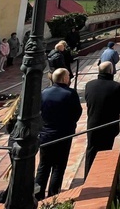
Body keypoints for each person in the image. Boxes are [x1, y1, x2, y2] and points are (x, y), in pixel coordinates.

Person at [35, 68, 82, 200]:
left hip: (45, 134)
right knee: (58, 166)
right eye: (68, 76)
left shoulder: (44, 92)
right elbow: (77, 112)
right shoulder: (70, 93)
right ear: (64, 79)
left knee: (43, 166)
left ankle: (37, 195)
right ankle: (53, 196)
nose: (69, 77)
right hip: (63, 134)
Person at [84, 61, 120, 176]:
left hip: (92, 125)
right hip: (109, 127)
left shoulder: (89, 85)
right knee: (104, 152)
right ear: (110, 71)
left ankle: (87, 177)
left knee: (91, 151)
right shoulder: (116, 87)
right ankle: (100, 176)